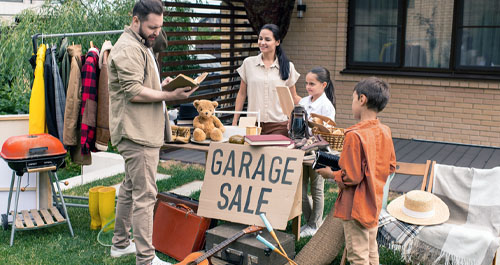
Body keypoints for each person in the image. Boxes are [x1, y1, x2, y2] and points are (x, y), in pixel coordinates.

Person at [107, 1, 197, 264]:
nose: (157, 32)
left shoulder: (140, 44)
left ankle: (120, 244)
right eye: (152, 27)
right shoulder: (127, 48)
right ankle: (146, 258)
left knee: (129, 187)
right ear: (135, 21)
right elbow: (134, 92)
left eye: (160, 26)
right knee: (145, 197)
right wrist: (169, 94)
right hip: (137, 133)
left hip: (141, 130)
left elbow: (142, 83)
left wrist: (163, 84)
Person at [316, 77, 396, 264]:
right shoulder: (385, 131)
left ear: (362, 99)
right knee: (370, 250)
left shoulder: (354, 135)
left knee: (357, 255)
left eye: (352, 99)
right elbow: (390, 166)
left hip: (355, 206)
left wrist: (331, 174)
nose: (352, 104)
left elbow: (351, 177)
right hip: (374, 202)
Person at [232, 23, 301, 136]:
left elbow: (293, 97)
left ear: (277, 42)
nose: (262, 42)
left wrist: (313, 102)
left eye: (267, 39)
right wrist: (235, 121)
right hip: (252, 124)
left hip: (279, 125)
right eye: (260, 38)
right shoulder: (248, 63)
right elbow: (241, 94)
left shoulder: (288, 66)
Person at [298, 66, 336, 237]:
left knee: (317, 188)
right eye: (306, 83)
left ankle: (314, 225)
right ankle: (310, 223)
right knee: (301, 188)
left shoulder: (327, 106)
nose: (308, 87)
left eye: (312, 84)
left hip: (318, 150)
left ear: (324, 85)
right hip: (301, 148)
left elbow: (327, 134)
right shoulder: (303, 102)